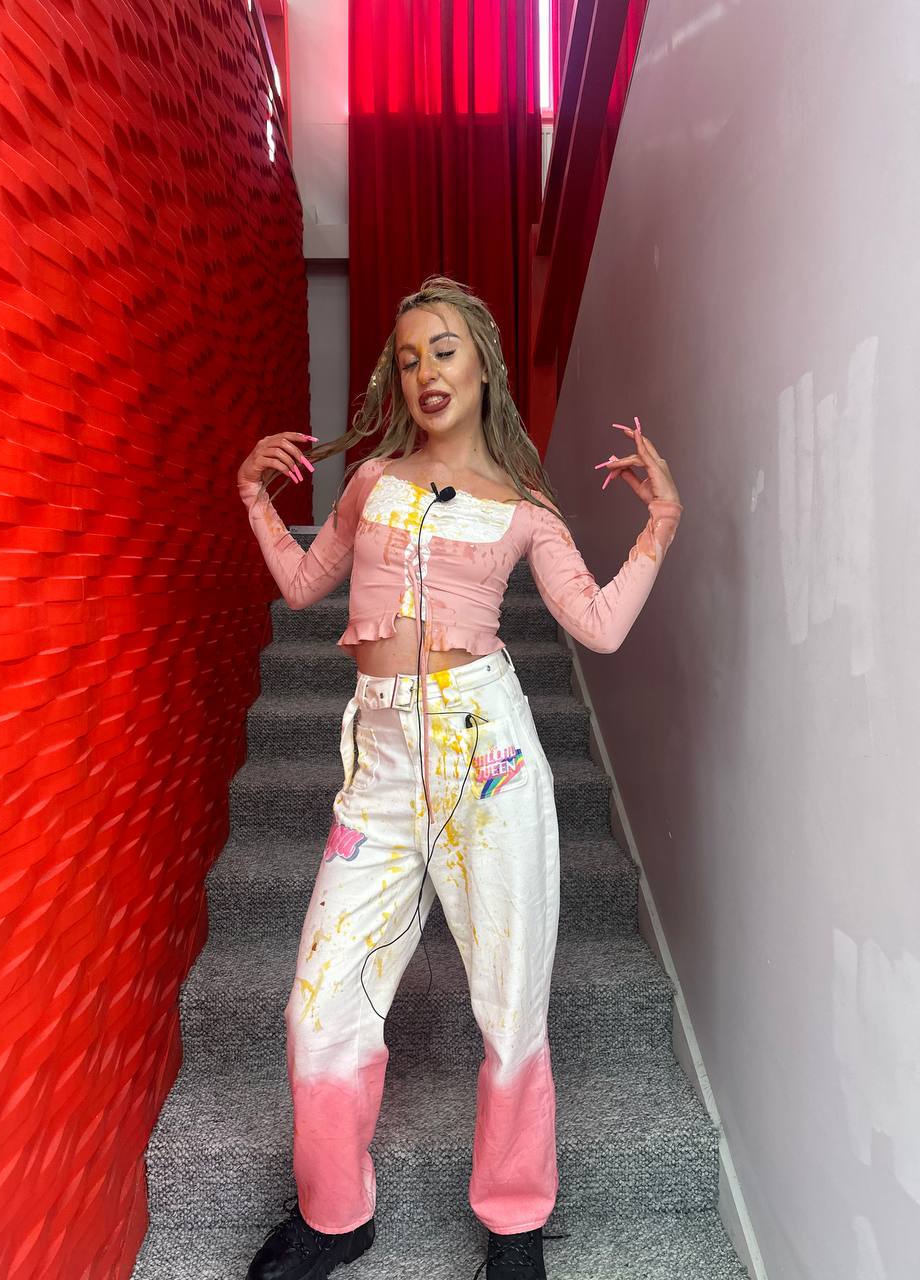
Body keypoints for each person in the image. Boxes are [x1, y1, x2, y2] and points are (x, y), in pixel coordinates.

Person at [235, 275, 683, 1280]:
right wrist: (254, 498)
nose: (425, 371)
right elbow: (304, 585)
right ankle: (335, 1215)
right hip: (382, 768)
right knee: (318, 1007)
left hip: (490, 763)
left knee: (511, 1005)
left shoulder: (523, 507)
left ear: (482, 363)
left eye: (443, 350)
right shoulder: (370, 482)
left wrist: (660, 522)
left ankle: (515, 1221)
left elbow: (599, 625)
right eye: (407, 358)